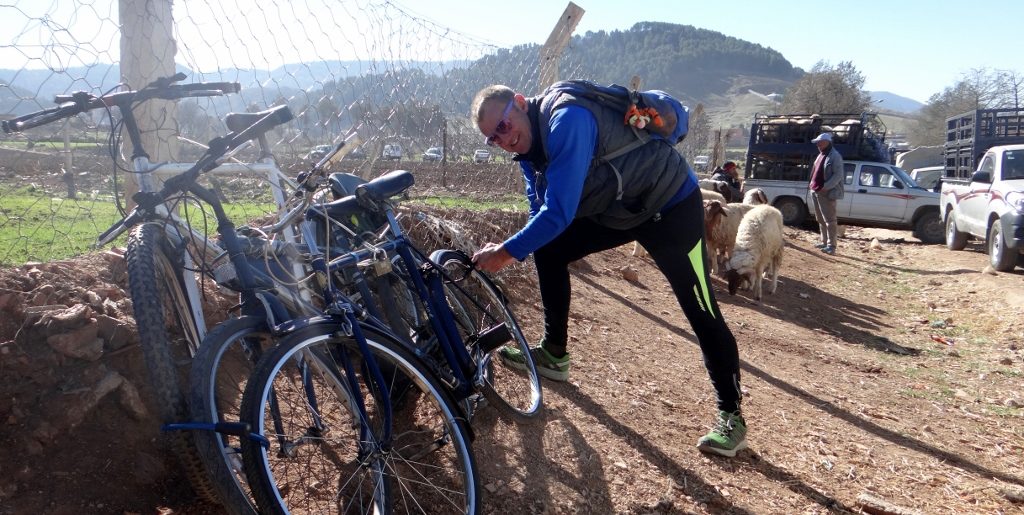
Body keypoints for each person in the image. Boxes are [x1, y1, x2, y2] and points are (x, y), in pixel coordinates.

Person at [470, 84, 747, 457]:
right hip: (619, 209)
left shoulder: (566, 119)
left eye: (502, 127)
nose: (502, 140)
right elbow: (540, 213)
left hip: (670, 205)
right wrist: (519, 246)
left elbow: (559, 212)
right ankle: (554, 353)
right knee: (549, 246)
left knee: (700, 307)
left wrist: (506, 253)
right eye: (492, 139)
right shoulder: (527, 152)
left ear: (520, 103)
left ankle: (731, 415)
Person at [808, 132, 845, 255]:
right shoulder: (821, 155)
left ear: (827, 142)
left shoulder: (835, 156)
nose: (818, 144)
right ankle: (824, 242)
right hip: (816, 190)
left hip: (826, 192)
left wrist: (826, 187)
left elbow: (838, 175)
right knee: (820, 218)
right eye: (817, 143)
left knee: (830, 220)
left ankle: (832, 246)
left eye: (820, 142)